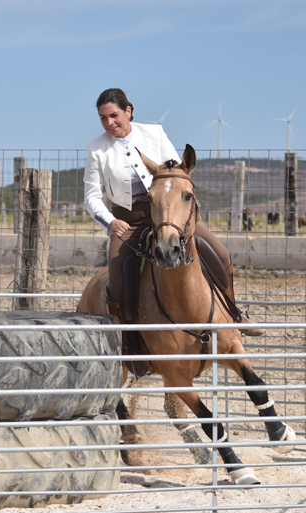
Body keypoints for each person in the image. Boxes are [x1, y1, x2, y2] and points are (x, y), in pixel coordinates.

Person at [83, 88, 262, 336]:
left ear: (128, 111)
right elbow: (91, 196)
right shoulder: (96, 149)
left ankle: (235, 315)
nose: (109, 123)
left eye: (114, 115)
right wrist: (111, 222)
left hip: (169, 214)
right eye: (103, 118)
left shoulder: (155, 133)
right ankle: (127, 338)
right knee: (117, 283)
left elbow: (178, 172)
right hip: (127, 222)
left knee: (221, 254)